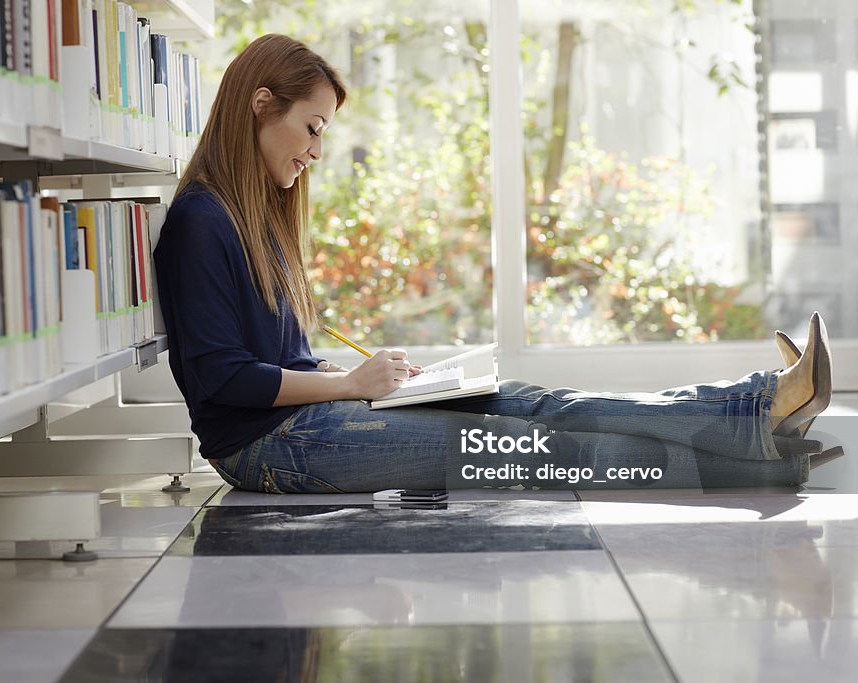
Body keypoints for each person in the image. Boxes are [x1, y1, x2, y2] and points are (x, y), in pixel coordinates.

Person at [153, 34, 834, 494]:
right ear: (259, 104)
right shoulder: (199, 222)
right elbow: (225, 378)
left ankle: (760, 416)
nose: (316, 153)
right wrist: (345, 383)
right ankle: (762, 437)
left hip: (304, 420)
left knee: (535, 402)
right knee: (520, 444)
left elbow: (276, 359)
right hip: (265, 450)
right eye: (313, 128)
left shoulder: (253, 218)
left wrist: (361, 378)